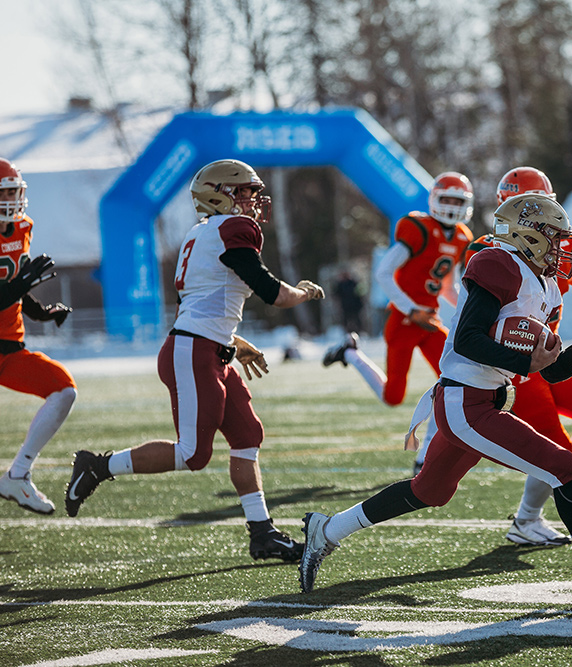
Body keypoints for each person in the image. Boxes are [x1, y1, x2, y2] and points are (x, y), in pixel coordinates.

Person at [298, 193, 572, 602]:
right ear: (529, 235)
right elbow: (468, 340)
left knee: (427, 492)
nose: (561, 249)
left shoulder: (547, 287)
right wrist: (524, 360)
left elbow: (548, 368)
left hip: (485, 399)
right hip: (465, 401)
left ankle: (326, 531)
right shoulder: (497, 263)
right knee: (565, 467)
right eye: (554, 238)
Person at [64, 159, 326, 563]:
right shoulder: (231, 230)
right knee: (193, 455)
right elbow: (272, 292)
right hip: (194, 352)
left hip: (210, 349)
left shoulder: (204, 233)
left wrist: (236, 342)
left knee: (247, 436)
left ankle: (262, 533)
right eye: (244, 192)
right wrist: (303, 293)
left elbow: (206, 305)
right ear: (218, 193)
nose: (253, 201)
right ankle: (97, 466)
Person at [425, 166, 572, 547]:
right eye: (538, 207)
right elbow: (473, 326)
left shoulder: (556, 245)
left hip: (549, 357)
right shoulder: (491, 253)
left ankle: (540, 495)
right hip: (516, 364)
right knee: (557, 452)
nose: (551, 222)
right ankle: (528, 518)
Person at [322, 172, 475, 408]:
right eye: (447, 199)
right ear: (435, 198)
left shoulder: (462, 236)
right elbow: (383, 273)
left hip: (429, 321)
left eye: (458, 201)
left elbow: (447, 287)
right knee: (393, 398)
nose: (452, 206)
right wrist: (411, 309)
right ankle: (350, 353)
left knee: (456, 380)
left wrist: (473, 309)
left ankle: (440, 438)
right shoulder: (419, 228)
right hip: (404, 320)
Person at [0, 158, 76, 515]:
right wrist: (20, 284)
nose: (13, 198)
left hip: (9, 347)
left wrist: (42, 313)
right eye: (5, 191)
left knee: (63, 390)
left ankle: (18, 474)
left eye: (15, 190)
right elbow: (13, 285)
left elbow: (13, 288)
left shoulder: (21, 227)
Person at [334, 270, 364, 334]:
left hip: (354, 305)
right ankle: (347, 331)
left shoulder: (354, 283)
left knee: (356, 319)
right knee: (346, 319)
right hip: (346, 306)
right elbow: (336, 294)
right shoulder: (341, 284)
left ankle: (358, 331)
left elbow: (360, 293)